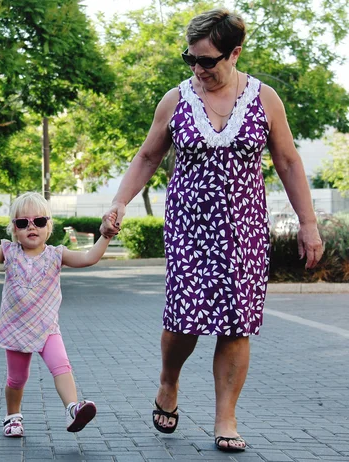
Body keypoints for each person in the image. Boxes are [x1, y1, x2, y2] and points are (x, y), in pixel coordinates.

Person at [99, 8, 324, 453]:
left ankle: (226, 418)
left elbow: (289, 162)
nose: (198, 70)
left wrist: (309, 222)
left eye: (208, 61)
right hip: (188, 229)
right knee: (185, 320)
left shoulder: (265, 99)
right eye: (191, 60)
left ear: (235, 53)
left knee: (235, 325)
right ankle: (169, 380)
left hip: (243, 231)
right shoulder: (176, 99)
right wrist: (119, 202)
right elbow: (147, 157)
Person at [0, 192, 115, 437]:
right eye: (23, 223)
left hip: (47, 327)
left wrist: (106, 235)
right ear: (14, 229)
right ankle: (13, 416)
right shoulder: (9, 252)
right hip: (16, 328)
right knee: (17, 379)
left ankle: (72, 408)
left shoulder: (57, 255)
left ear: (49, 227)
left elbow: (89, 258)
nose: (31, 227)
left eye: (39, 221)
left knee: (61, 367)